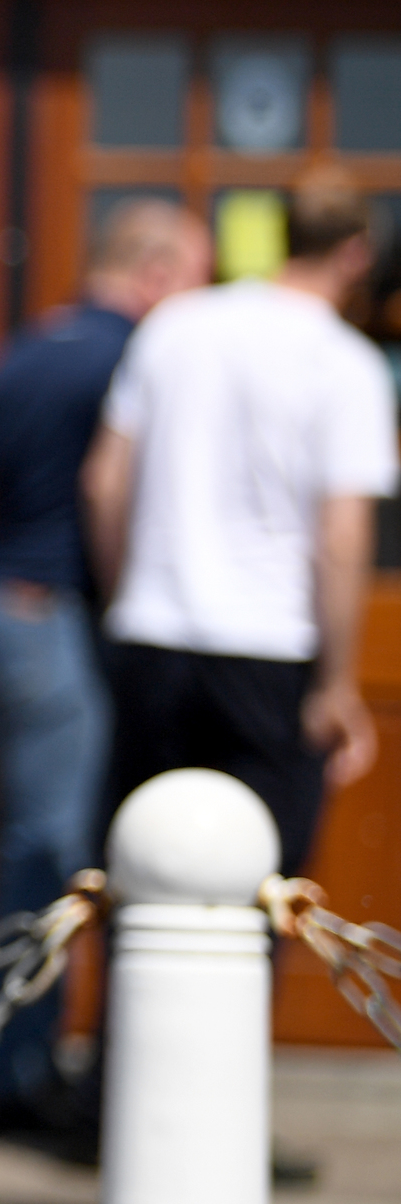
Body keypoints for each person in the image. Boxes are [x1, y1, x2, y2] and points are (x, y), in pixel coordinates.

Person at [0, 198, 207, 1132]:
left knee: (33, 842)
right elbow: (116, 489)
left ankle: (13, 1059)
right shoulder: (126, 357)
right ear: (157, 269)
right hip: (49, 616)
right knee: (50, 851)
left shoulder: (28, 345)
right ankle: (5, 1079)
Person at [86, 171, 396, 877]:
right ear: (355, 254)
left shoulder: (177, 324)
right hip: (270, 647)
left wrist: (123, 595)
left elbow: (105, 483)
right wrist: (338, 682)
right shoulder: (346, 364)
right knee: (260, 886)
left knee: (140, 873)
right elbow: (342, 537)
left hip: (154, 632)